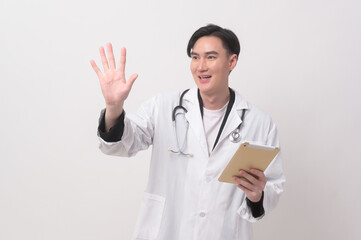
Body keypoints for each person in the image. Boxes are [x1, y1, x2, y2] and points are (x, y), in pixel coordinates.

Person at [90, 24, 285, 240]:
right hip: (167, 231)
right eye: (195, 57)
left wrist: (257, 196)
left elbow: (273, 188)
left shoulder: (260, 123)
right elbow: (124, 143)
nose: (201, 66)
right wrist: (114, 107)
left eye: (211, 57)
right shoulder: (163, 106)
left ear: (232, 62)